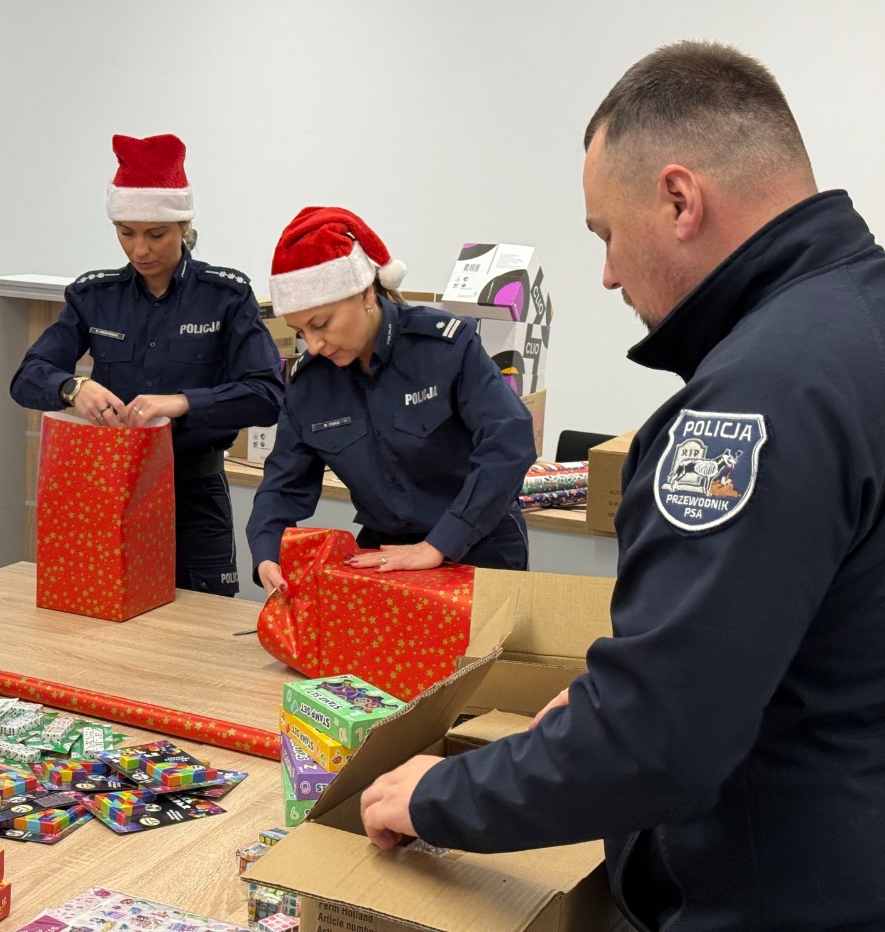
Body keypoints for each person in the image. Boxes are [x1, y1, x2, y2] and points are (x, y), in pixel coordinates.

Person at [359, 41, 885, 930]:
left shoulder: (756, 400)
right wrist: (645, 681)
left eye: (604, 233)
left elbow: (658, 742)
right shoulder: (857, 321)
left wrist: (437, 796)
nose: (605, 272)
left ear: (679, 199)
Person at [10, 133, 284, 596]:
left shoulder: (226, 296)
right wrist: (73, 388)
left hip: (194, 494)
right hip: (111, 488)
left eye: (156, 234)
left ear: (184, 226)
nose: (140, 250)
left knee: (201, 619)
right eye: (126, 233)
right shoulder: (95, 296)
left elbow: (267, 395)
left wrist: (183, 402)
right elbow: (26, 378)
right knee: (106, 607)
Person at [246, 207, 537, 594]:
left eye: (321, 324)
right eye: (300, 331)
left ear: (366, 293)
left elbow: (510, 443)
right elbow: (283, 484)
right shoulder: (309, 383)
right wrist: (267, 551)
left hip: (477, 546)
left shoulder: (444, 348)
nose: (313, 345)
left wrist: (438, 545)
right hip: (384, 555)